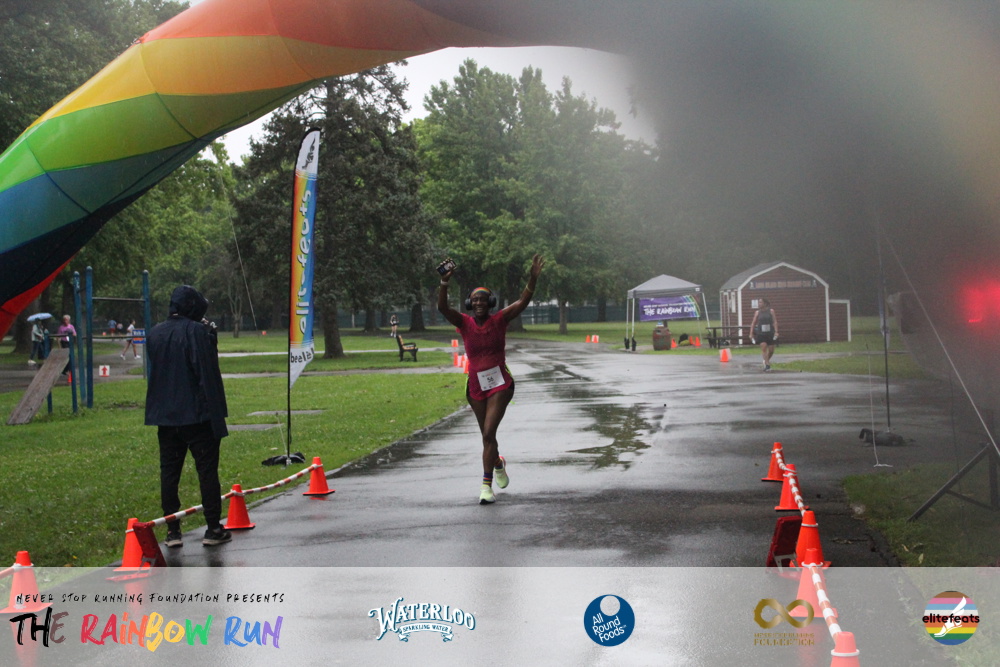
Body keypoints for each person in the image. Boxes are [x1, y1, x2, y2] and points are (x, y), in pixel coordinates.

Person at [437, 254, 544, 504]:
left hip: (500, 384)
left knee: (488, 433)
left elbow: (523, 301)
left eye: (483, 299)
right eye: (474, 300)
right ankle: (497, 463)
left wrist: (533, 278)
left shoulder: (499, 320)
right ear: (469, 303)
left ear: (490, 302)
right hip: (475, 386)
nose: (479, 303)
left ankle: (486, 487)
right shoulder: (464, 323)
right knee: (488, 437)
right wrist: (444, 282)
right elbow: (442, 308)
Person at [144, 285, 231, 547]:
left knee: (169, 473)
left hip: (165, 416)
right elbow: (206, 373)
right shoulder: (196, 332)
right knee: (207, 471)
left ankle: (172, 531)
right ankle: (213, 527)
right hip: (197, 415)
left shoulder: (155, 333)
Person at [749, 298, 779, 371]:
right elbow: (753, 323)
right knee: (764, 347)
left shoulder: (771, 311)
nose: (759, 304)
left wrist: (776, 331)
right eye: (759, 302)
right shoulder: (757, 312)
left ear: (765, 303)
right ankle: (767, 365)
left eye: (760, 302)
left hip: (770, 332)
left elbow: (775, 321)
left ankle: (766, 360)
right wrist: (751, 333)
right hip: (761, 333)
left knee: (771, 350)